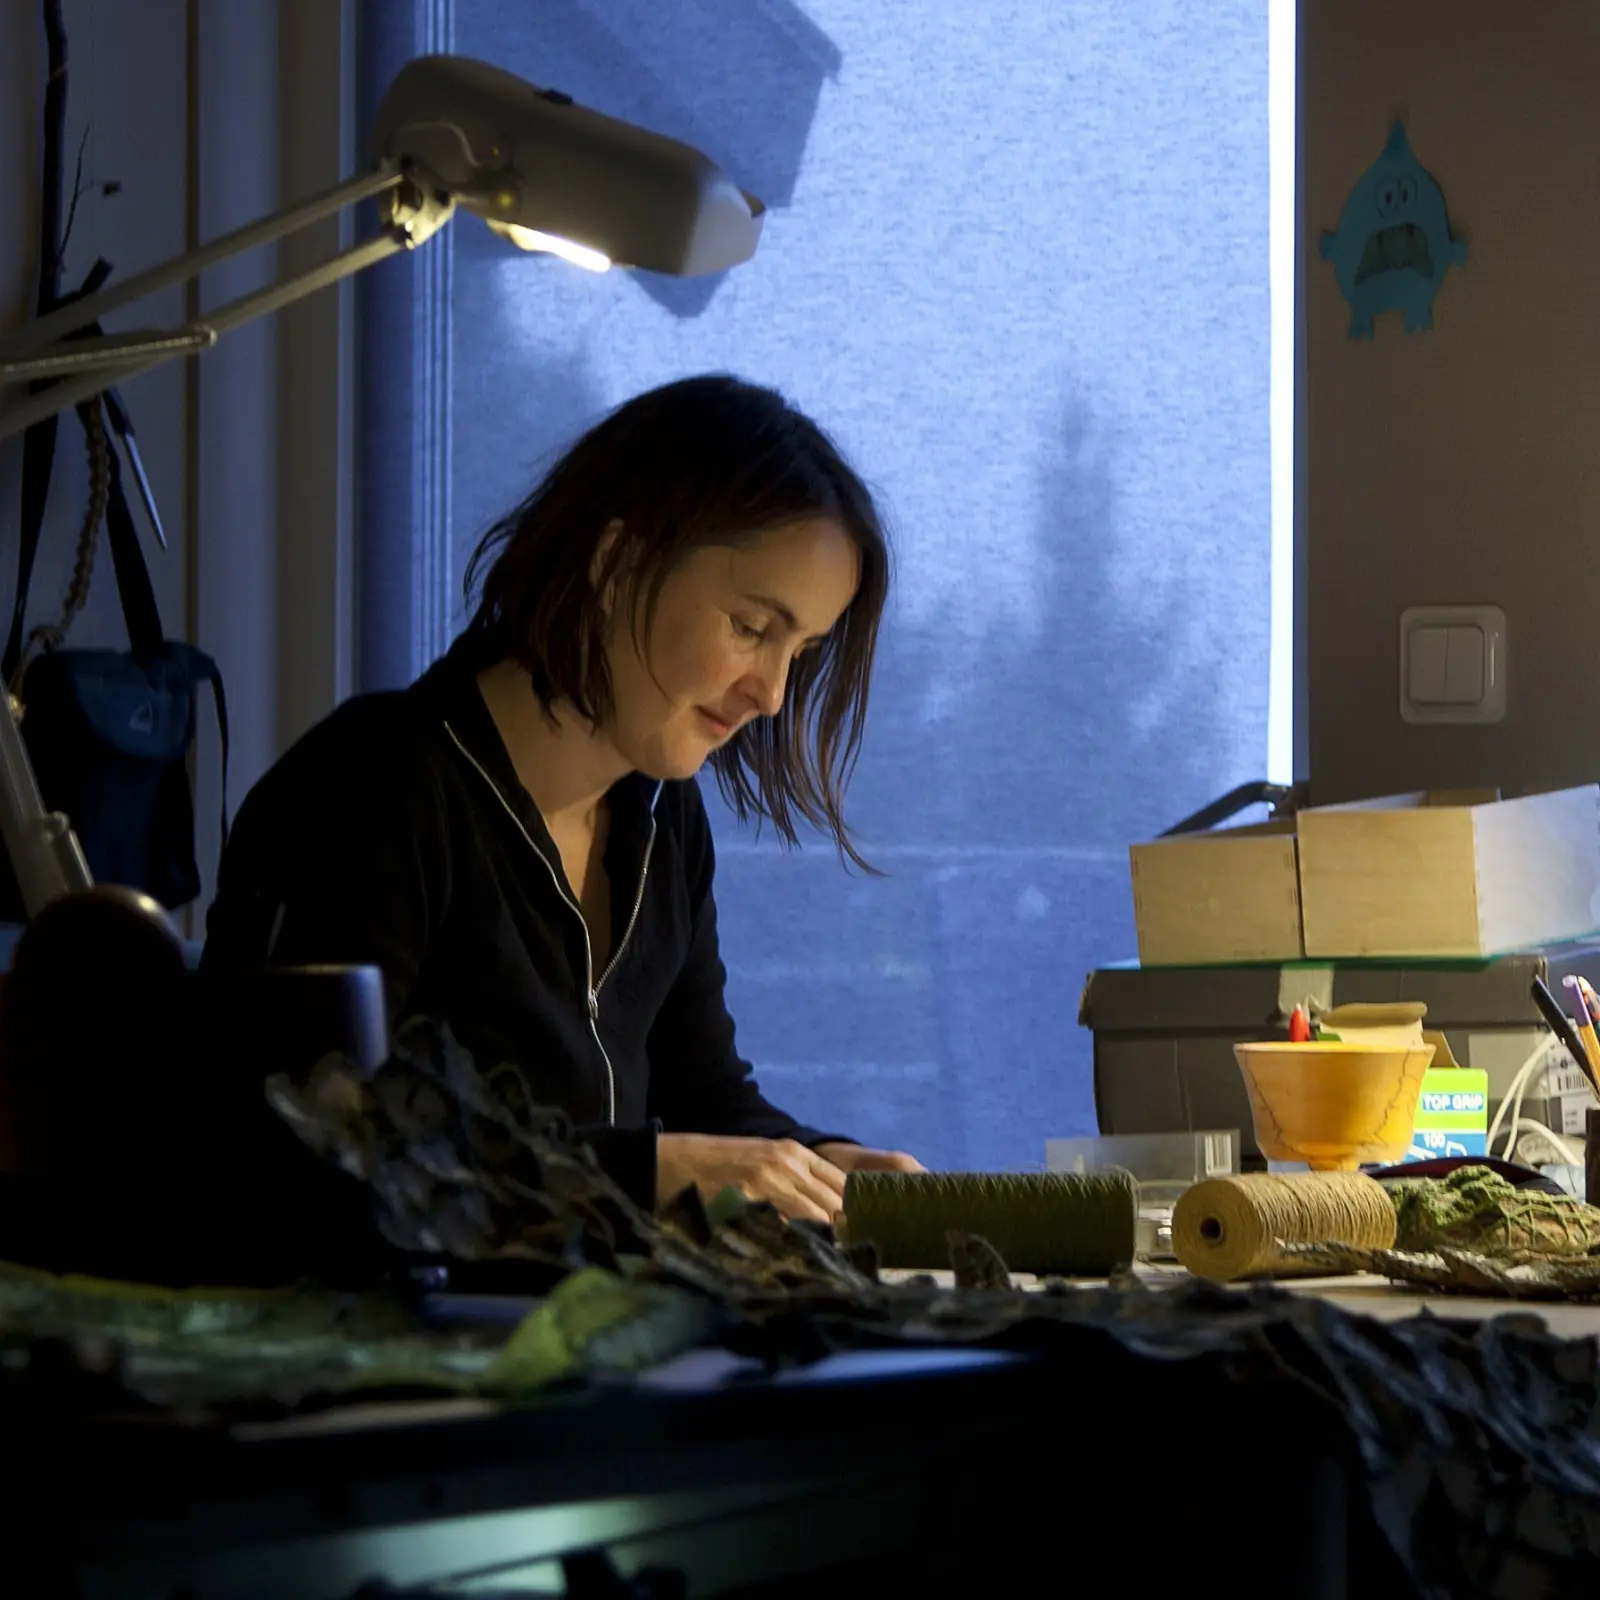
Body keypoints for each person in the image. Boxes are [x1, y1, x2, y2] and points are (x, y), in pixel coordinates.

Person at [202, 374, 923, 1224]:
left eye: (799, 653)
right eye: (752, 629)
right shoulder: (378, 783)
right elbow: (313, 1141)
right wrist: (638, 1169)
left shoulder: (662, 822)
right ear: (617, 565)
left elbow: (705, 1106)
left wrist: (826, 1166)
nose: (770, 692)